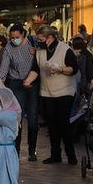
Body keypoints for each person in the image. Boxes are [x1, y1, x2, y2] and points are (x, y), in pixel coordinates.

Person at [35, 25, 79, 165]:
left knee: (63, 122)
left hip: (65, 90)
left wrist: (59, 69)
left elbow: (74, 69)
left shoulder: (65, 49)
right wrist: (28, 81)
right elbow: (35, 69)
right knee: (51, 123)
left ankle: (70, 154)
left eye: (41, 39)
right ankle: (55, 154)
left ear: (50, 38)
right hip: (47, 91)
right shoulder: (39, 52)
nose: (39, 42)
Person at [0, 23, 40, 161]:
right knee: (17, 118)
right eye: (12, 37)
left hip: (32, 83)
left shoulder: (33, 43)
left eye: (17, 37)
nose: (14, 39)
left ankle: (32, 150)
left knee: (33, 119)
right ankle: (15, 151)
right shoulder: (8, 48)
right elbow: (4, 69)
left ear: (24, 35)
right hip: (16, 84)